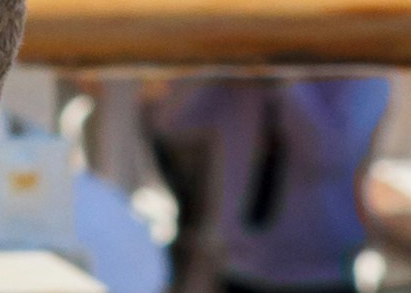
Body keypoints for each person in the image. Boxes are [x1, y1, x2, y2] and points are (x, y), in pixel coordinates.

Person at [151, 73, 392, 293]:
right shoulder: (237, 72)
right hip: (241, 265)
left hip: (322, 271)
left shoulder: (362, 72)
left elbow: (329, 156)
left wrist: (286, 79)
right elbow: (169, 122)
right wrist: (216, 65)